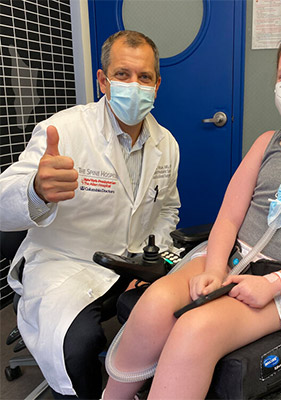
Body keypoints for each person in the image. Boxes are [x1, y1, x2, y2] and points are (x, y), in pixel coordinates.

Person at [102, 25, 281, 400]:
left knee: (194, 330)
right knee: (153, 306)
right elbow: (229, 217)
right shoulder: (266, 143)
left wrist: (274, 284)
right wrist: (214, 268)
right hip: (228, 257)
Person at [0, 30, 180, 399]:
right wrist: (35, 189)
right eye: (122, 74)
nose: (134, 85)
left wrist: (150, 261)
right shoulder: (64, 130)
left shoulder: (167, 144)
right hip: (65, 265)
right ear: (103, 80)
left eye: (144, 77)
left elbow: (167, 209)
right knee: (78, 345)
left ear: (157, 85)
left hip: (130, 265)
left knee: (170, 320)